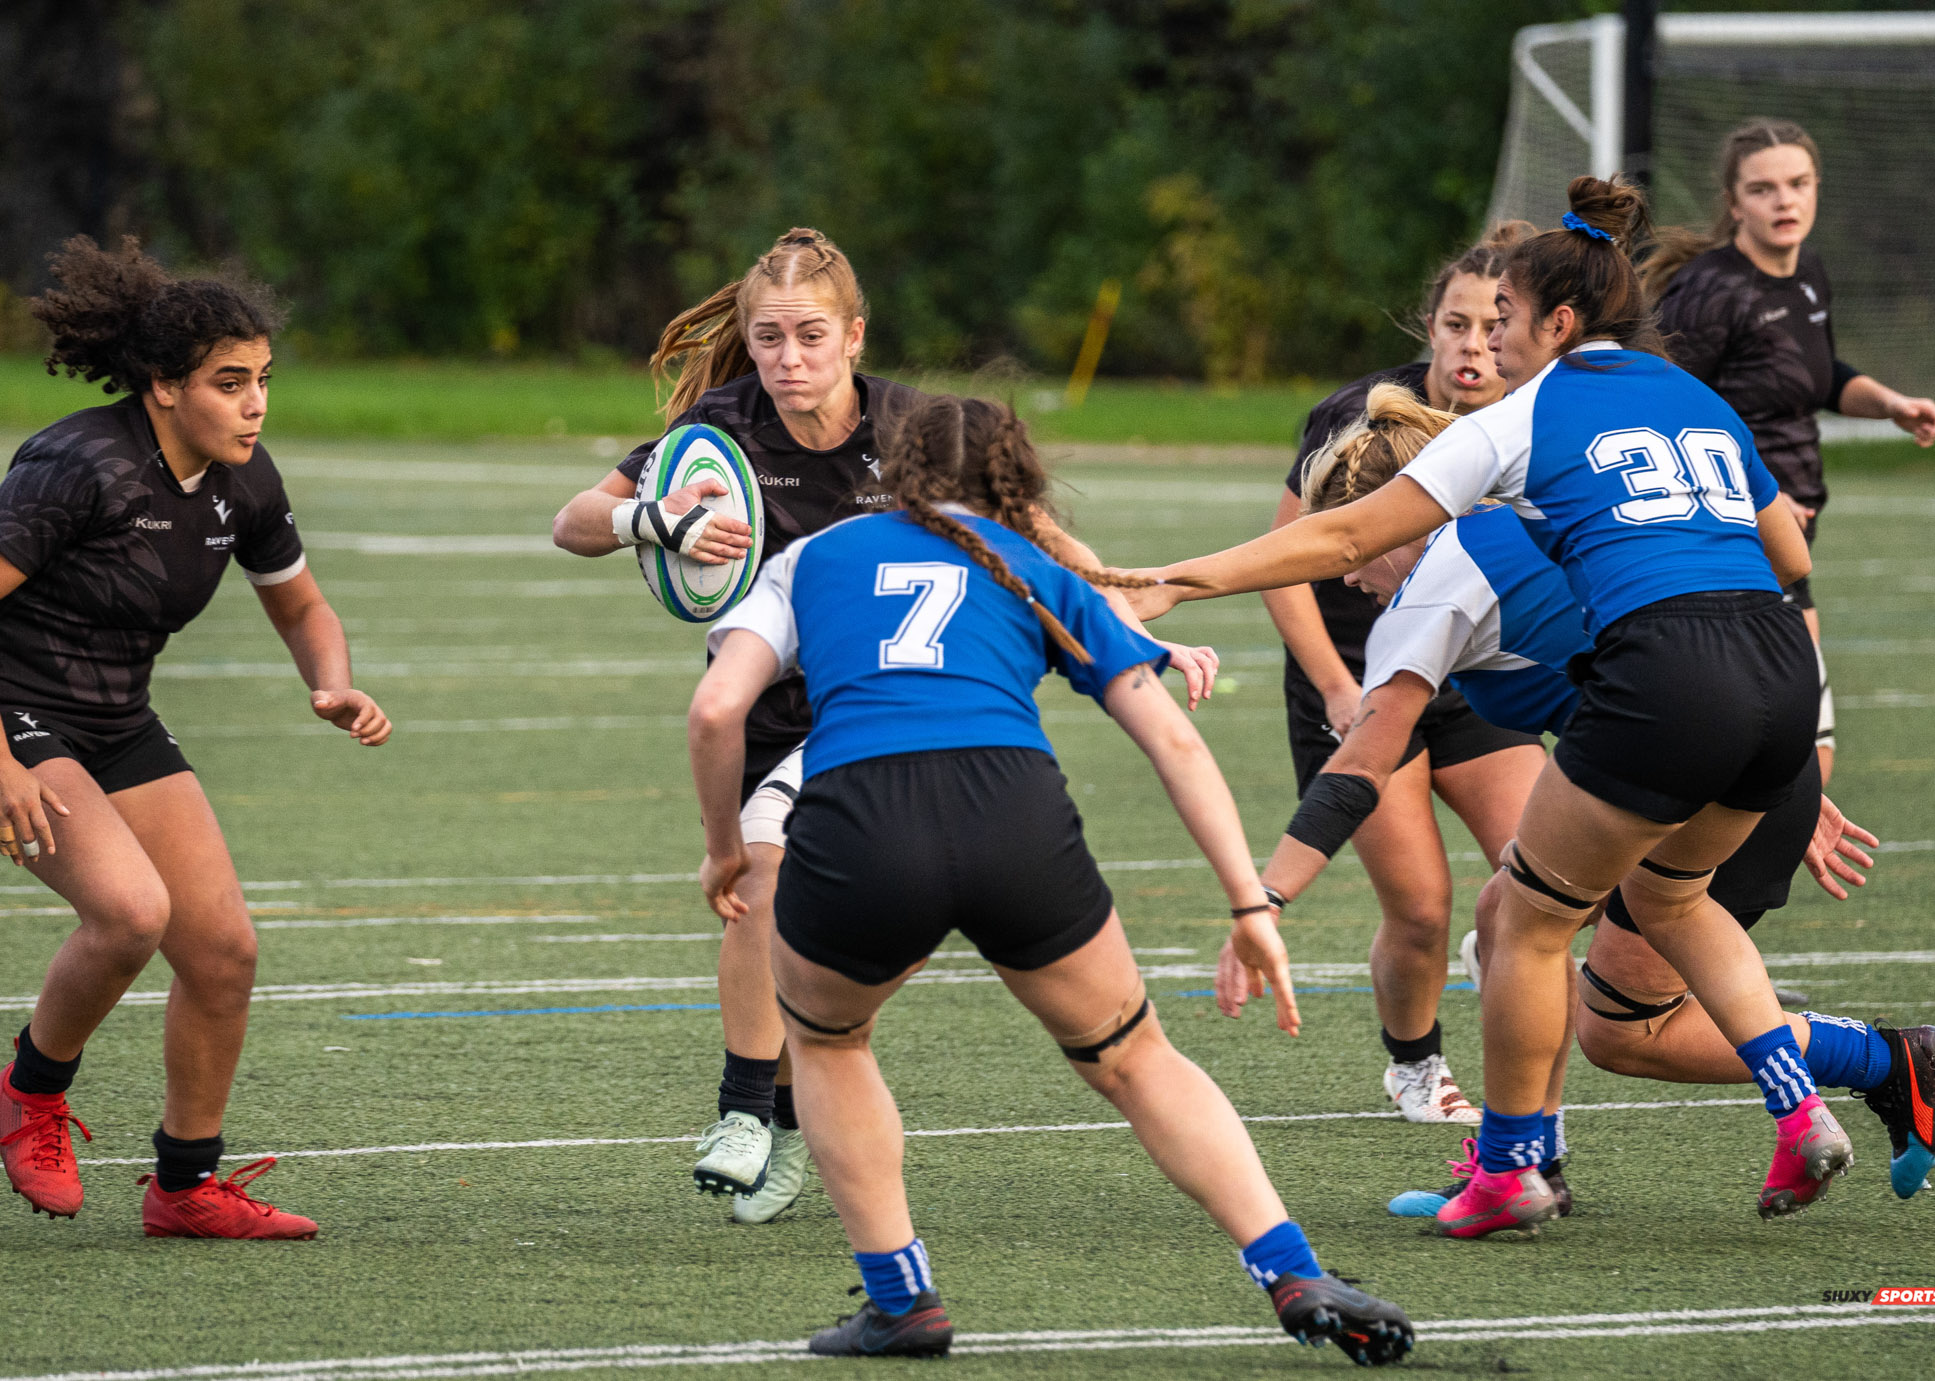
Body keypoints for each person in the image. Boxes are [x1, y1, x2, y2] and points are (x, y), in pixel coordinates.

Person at [1124, 176, 1852, 1236]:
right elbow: (1785, 544)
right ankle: (1797, 1112)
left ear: (1555, 321)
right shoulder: (1684, 391)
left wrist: (1176, 580)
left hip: (1666, 673)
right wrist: (1783, 688)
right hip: (1776, 665)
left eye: (1501, 317)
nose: (1484, 339)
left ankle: (1510, 1167)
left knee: (1521, 919)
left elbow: (1339, 540)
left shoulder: (1516, 420)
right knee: (1669, 900)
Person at [685, 394, 1413, 1363]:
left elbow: (714, 709)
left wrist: (723, 849)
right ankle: (1287, 1267)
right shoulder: (1034, 566)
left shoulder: (813, 556)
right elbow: (1171, 739)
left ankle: (901, 1299)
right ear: (1015, 477)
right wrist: (1247, 900)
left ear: (893, 470)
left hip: (861, 822)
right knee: (1132, 1055)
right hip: (1011, 813)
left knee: (829, 1044)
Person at [551, 228, 1216, 1225]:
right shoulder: (721, 431)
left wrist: (1124, 608)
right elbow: (570, 523)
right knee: (760, 891)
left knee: (790, 898)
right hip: (772, 710)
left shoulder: (910, 427)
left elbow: (1022, 529)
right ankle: (759, 1109)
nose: (787, 360)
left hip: (888, 705)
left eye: (809, 336)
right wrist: (658, 518)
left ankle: (764, 1104)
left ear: (854, 335)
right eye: (767, 338)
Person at [1228, 382, 1935, 1215]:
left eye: (1347, 545)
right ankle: (1541, 1158)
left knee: (1611, 1015)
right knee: (1514, 915)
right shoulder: (1533, 521)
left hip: (1697, 761)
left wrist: (1266, 894)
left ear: (1396, 514)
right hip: (1741, 740)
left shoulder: (1435, 583)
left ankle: (1873, 1067)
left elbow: (1360, 763)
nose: (1345, 572)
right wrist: (1778, 770)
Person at [0, 236, 391, 1238]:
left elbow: (303, 609)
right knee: (131, 912)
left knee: (220, 951)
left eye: (262, 379)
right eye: (230, 382)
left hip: (114, 719)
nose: (256, 402)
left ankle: (184, 1186)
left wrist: (331, 683)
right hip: (14, 711)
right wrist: (4, 762)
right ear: (164, 386)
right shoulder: (75, 465)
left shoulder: (243, 483)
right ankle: (28, 1093)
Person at [1262, 226, 1544, 1126]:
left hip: (1474, 677)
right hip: (1359, 681)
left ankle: (1500, 966)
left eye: (1493, 323)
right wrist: (1339, 690)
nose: (1474, 343)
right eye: (1456, 323)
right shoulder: (1357, 419)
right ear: (1429, 327)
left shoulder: (1535, 421)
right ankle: (1415, 1065)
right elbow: (1284, 563)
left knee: (1544, 879)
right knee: (1420, 908)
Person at [1647, 119, 1935, 784]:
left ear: (1817, 189)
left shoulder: (1807, 274)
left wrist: (1892, 404)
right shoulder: (1710, 291)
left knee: (1795, 749)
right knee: (1794, 749)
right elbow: (1664, 405)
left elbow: (1815, 372)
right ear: (1734, 204)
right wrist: (1751, 490)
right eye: (1763, 189)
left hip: (1782, 540)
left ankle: (1693, 879)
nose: (1784, 201)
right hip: (1722, 537)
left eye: (1798, 184)